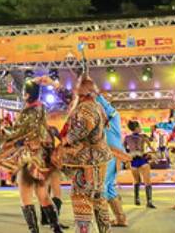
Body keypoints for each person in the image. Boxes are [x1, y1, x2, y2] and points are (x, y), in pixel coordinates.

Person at [0, 76, 62, 233]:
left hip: (27, 158)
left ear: (26, 94)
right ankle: (56, 228)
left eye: (24, 92)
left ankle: (34, 231)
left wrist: (2, 132)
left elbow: (17, 134)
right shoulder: (42, 109)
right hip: (41, 158)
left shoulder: (28, 113)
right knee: (43, 195)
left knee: (25, 197)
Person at [58, 74, 110, 233]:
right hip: (96, 159)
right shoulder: (96, 105)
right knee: (98, 197)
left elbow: (84, 127)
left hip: (87, 160)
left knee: (81, 197)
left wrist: (67, 139)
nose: (74, 90)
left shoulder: (86, 107)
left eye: (77, 87)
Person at [96, 92, 128, 227]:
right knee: (108, 187)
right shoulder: (101, 120)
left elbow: (101, 102)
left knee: (101, 186)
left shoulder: (114, 115)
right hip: (109, 155)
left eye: (105, 100)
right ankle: (121, 218)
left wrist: (97, 95)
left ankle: (103, 220)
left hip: (112, 155)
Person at [123, 121, 155, 208]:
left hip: (133, 161)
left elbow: (123, 149)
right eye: (140, 127)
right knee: (147, 181)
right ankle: (149, 202)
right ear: (136, 128)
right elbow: (151, 142)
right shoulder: (143, 136)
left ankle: (136, 199)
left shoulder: (127, 138)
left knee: (137, 181)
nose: (141, 128)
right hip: (142, 159)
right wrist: (152, 132)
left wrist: (127, 159)